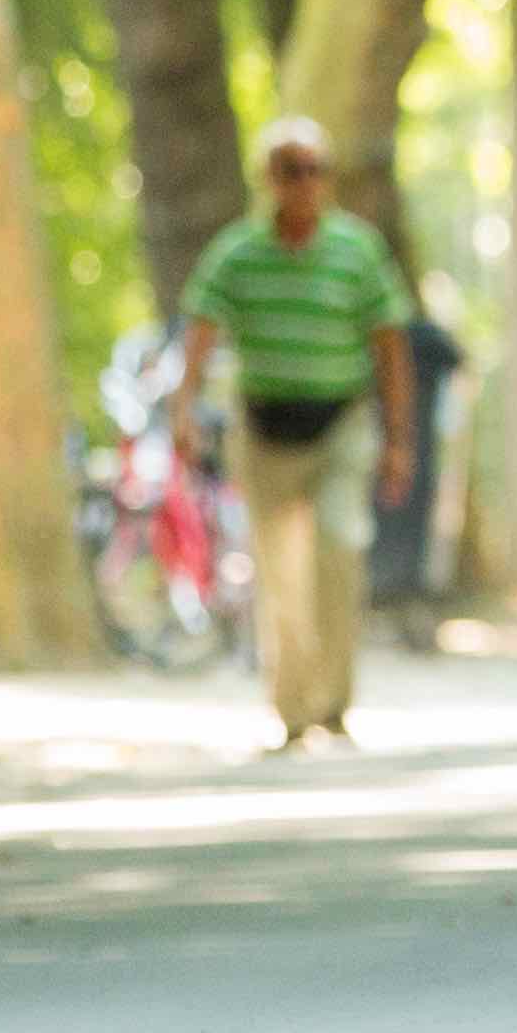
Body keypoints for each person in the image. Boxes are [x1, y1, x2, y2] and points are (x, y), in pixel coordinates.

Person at [167, 117, 419, 748]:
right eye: (289, 170)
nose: (303, 183)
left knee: (338, 549)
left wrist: (399, 440)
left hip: (340, 424)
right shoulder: (238, 253)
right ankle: (292, 710)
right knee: (279, 570)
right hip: (264, 428)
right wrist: (184, 410)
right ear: (269, 179)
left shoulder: (357, 251)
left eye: (313, 170)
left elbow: (391, 346)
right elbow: (200, 330)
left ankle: (334, 703)